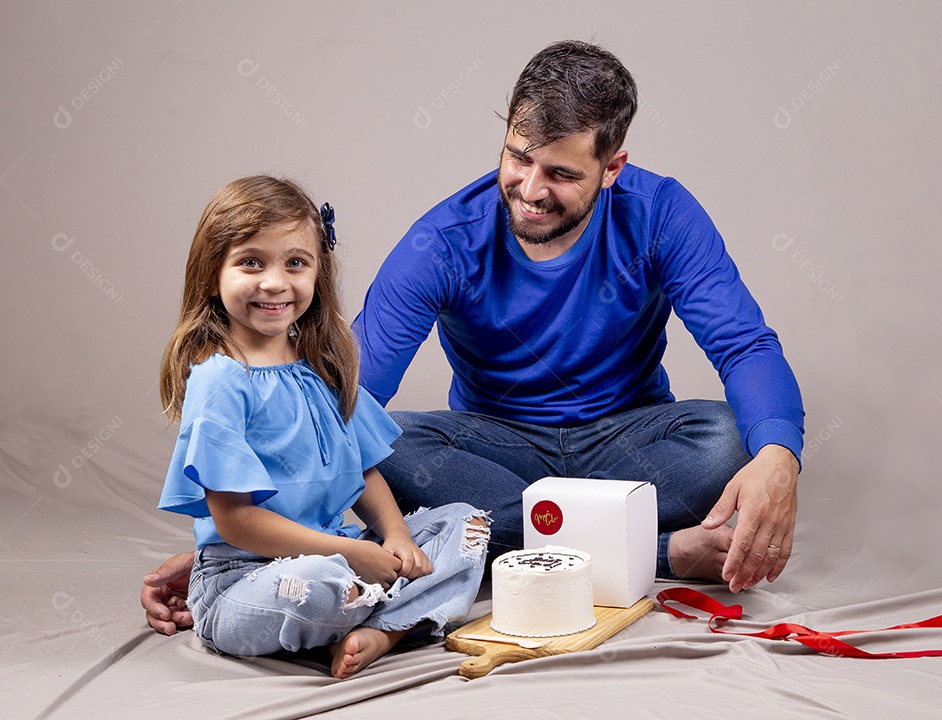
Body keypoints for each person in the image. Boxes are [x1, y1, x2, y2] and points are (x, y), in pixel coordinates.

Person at [143, 40, 803, 635]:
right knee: (388, 441)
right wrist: (236, 547)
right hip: (496, 450)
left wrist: (779, 458)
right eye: (518, 158)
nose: (530, 189)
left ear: (612, 168)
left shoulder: (663, 214)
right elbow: (339, 397)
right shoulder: (443, 241)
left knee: (733, 437)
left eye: (562, 174)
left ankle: (543, 537)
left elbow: (744, 346)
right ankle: (661, 552)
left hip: (627, 443)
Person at [153, 175, 489, 678]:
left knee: (465, 524)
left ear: (318, 272)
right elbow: (234, 521)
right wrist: (352, 554)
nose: (274, 282)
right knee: (316, 584)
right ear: (212, 272)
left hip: (340, 551)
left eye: (295, 263)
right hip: (243, 579)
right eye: (251, 262)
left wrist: (394, 534)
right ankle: (398, 613)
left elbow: (364, 471)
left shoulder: (322, 366)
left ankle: (383, 629)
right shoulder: (220, 379)